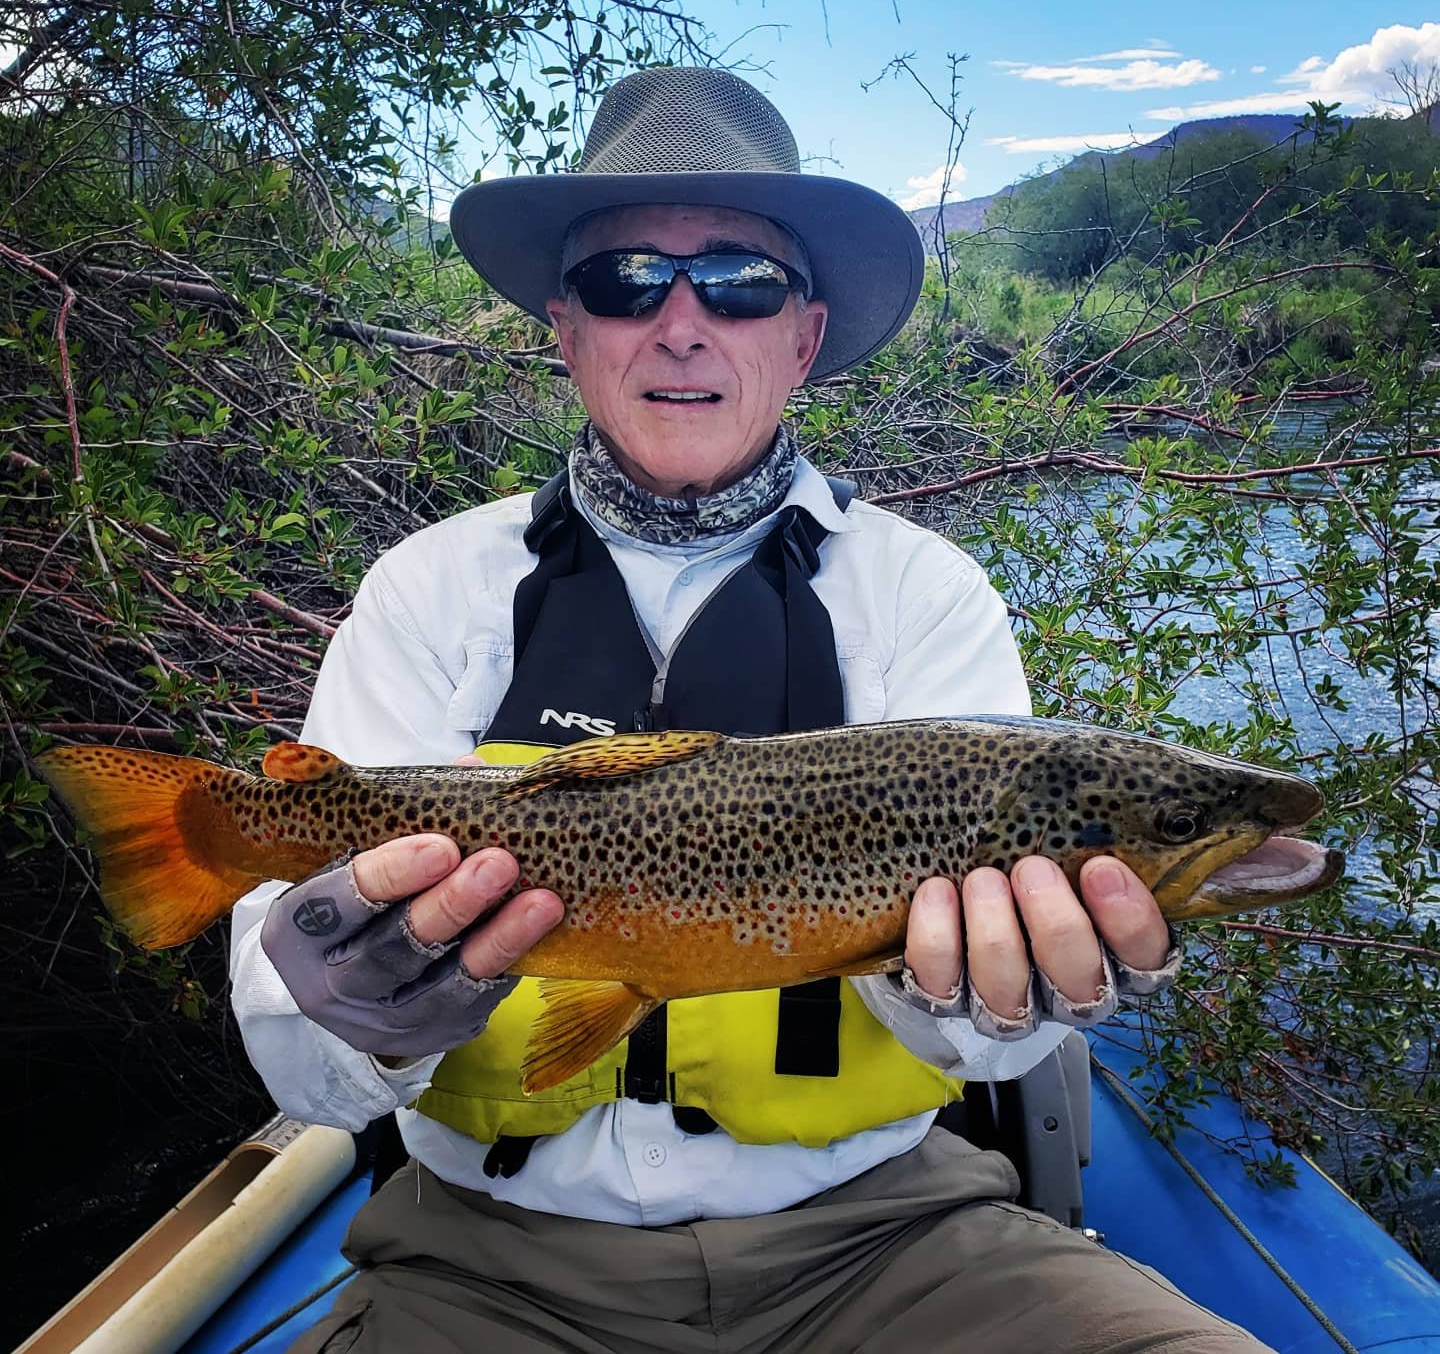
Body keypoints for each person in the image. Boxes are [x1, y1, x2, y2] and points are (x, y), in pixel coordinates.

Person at [230, 66, 1264, 1353]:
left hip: (890, 1241)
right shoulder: (428, 591)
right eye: (625, 283)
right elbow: (300, 1073)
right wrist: (352, 1013)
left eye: (738, 282)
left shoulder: (925, 597)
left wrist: (1008, 998)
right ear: (566, 331)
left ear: (803, 335)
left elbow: (990, 1062)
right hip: (484, 1265)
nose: (680, 323)